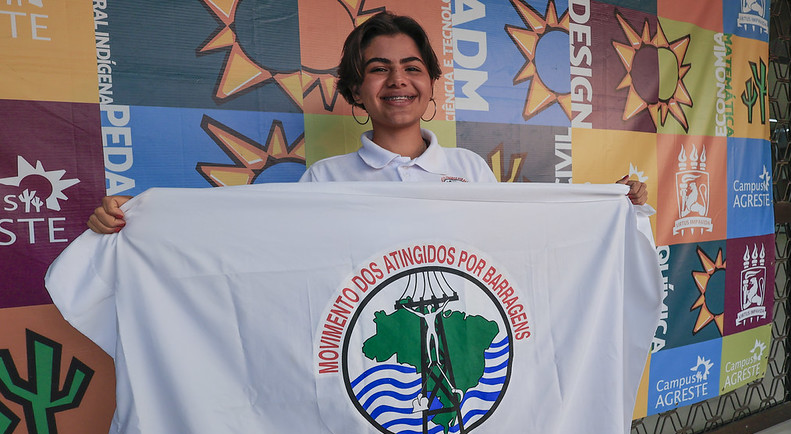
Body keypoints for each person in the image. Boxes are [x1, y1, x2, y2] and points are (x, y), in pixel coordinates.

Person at [87, 12, 647, 234]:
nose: (397, 80)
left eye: (412, 68)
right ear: (356, 89)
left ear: (430, 83)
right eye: (378, 69)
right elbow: (254, 241)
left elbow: (525, 236)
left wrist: (610, 206)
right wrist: (144, 222)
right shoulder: (325, 179)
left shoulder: (470, 168)